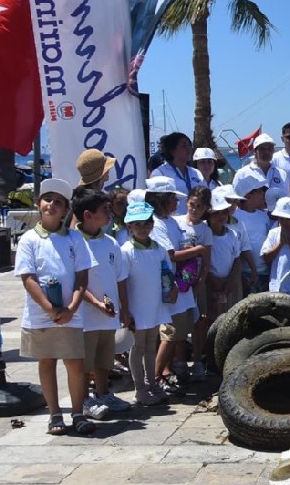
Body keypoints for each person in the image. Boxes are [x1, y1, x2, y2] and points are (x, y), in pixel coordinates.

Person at [17, 178, 97, 435]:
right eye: (47, 199)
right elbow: (28, 277)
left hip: (70, 313)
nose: (51, 204)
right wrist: (49, 309)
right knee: (47, 361)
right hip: (41, 315)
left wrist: (72, 307)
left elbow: (82, 277)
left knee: (75, 362)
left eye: (58, 202)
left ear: (65, 210)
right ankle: (54, 414)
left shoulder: (74, 238)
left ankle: (77, 412)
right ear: (39, 204)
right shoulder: (29, 239)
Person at [145, 177, 206, 394]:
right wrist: (198, 250)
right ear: (161, 200)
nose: (177, 203)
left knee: (179, 334)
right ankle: (154, 377)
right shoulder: (156, 224)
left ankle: (166, 373)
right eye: (172, 198)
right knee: (169, 336)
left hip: (182, 290)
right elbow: (170, 255)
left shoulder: (171, 222)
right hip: (169, 289)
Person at [73, 189, 130, 420]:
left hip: (108, 313)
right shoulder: (73, 242)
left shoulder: (110, 243)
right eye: (104, 210)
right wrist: (95, 302)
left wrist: (124, 308)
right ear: (88, 215)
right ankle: (84, 399)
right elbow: (74, 282)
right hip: (85, 314)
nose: (110, 214)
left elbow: (121, 277)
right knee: (84, 360)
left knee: (105, 356)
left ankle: (103, 392)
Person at [119, 202, 171, 406]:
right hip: (136, 306)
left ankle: (152, 383)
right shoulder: (126, 251)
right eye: (136, 224)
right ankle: (139, 388)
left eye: (146, 223)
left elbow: (166, 275)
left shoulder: (159, 249)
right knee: (137, 347)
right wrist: (125, 309)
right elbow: (121, 282)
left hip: (155, 304)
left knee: (151, 345)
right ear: (129, 227)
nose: (142, 228)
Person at [174, 187, 214, 380]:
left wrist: (202, 280)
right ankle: (180, 362)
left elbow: (207, 259)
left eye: (200, 206)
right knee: (180, 323)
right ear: (186, 202)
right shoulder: (177, 223)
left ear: (206, 208)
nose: (195, 209)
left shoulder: (205, 230)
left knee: (200, 321)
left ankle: (198, 361)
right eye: (192, 204)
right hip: (179, 282)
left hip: (197, 282)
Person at [202, 190, 241, 367]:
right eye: (216, 213)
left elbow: (236, 259)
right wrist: (212, 280)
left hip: (227, 284)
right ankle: (209, 356)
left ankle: (225, 354)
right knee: (210, 320)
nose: (220, 217)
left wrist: (231, 280)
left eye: (223, 212)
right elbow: (203, 261)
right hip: (208, 283)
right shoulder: (204, 233)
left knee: (228, 319)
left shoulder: (232, 234)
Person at [231, 174, 270, 294]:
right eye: (260, 191)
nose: (263, 194)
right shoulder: (235, 217)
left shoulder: (264, 216)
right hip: (246, 272)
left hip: (265, 271)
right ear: (248, 195)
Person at [150, 132, 204, 215]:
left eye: (189, 145)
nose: (189, 149)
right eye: (184, 145)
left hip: (195, 221)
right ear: (172, 150)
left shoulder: (196, 173)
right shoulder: (160, 173)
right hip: (172, 222)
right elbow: (156, 203)